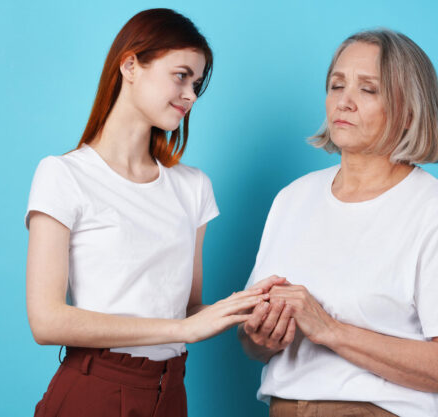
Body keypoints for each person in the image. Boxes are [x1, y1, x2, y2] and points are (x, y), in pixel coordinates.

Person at [25, 9, 273, 417]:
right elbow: (46, 320)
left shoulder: (193, 187)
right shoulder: (63, 174)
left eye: (196, 84)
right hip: (94, 388)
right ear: (130, 65)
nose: (191, 95)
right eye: (181, 76)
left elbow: (188, 309)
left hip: (171, 391)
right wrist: (181, 330)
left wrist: (245, 306)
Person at [239, 29, 438, 417]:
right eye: (336, 85)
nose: (344, 101)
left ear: (408, 112)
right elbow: (253, 346)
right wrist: (261, 335)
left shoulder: (437, 212)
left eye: (368, 89)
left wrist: (331, 330)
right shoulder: (292, 199)